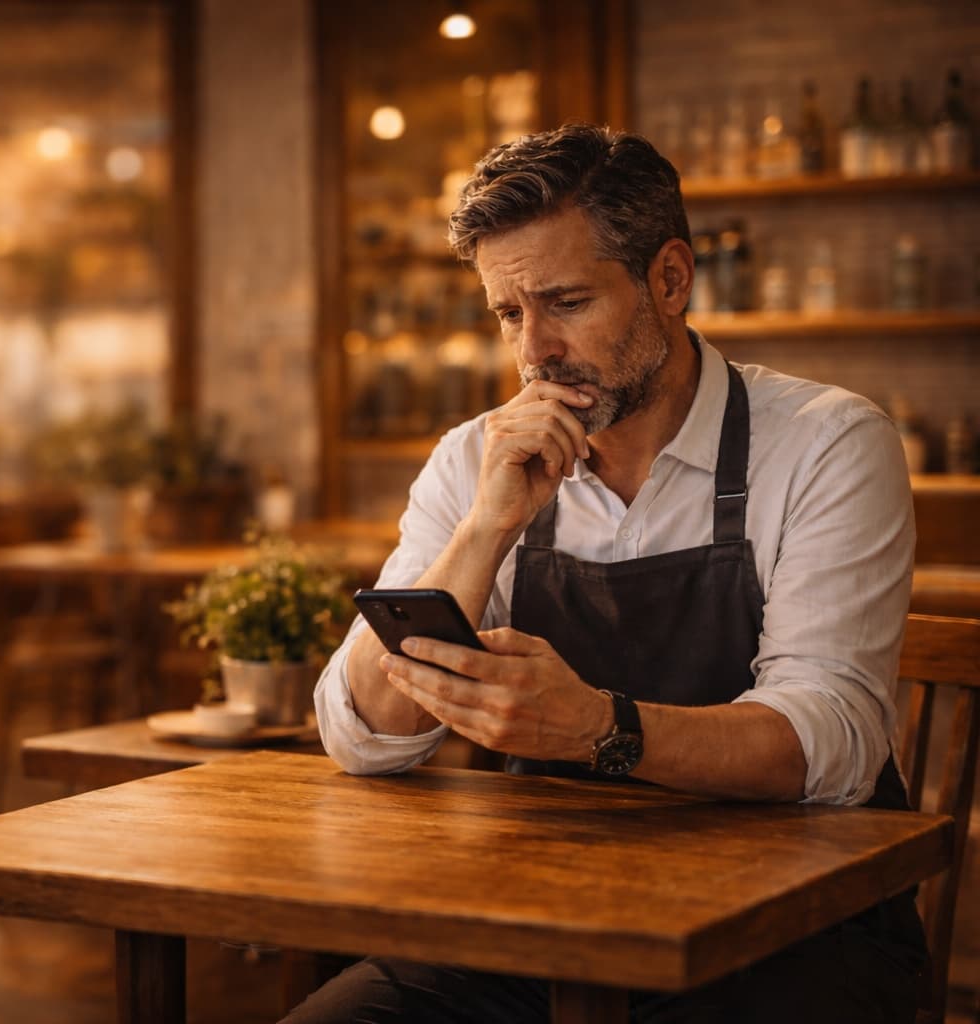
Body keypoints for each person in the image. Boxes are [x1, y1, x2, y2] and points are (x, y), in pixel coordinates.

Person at [288, 124, 928, 1023]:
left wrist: (597, 728)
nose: (534, 350)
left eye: (567, 302)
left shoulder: (827, 443)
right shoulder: (475, 458)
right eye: (510, 314)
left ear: (670, 279)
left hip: (792, 930)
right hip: (538, 920)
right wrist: (486, 529)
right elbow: (363, 733)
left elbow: (832, 744)